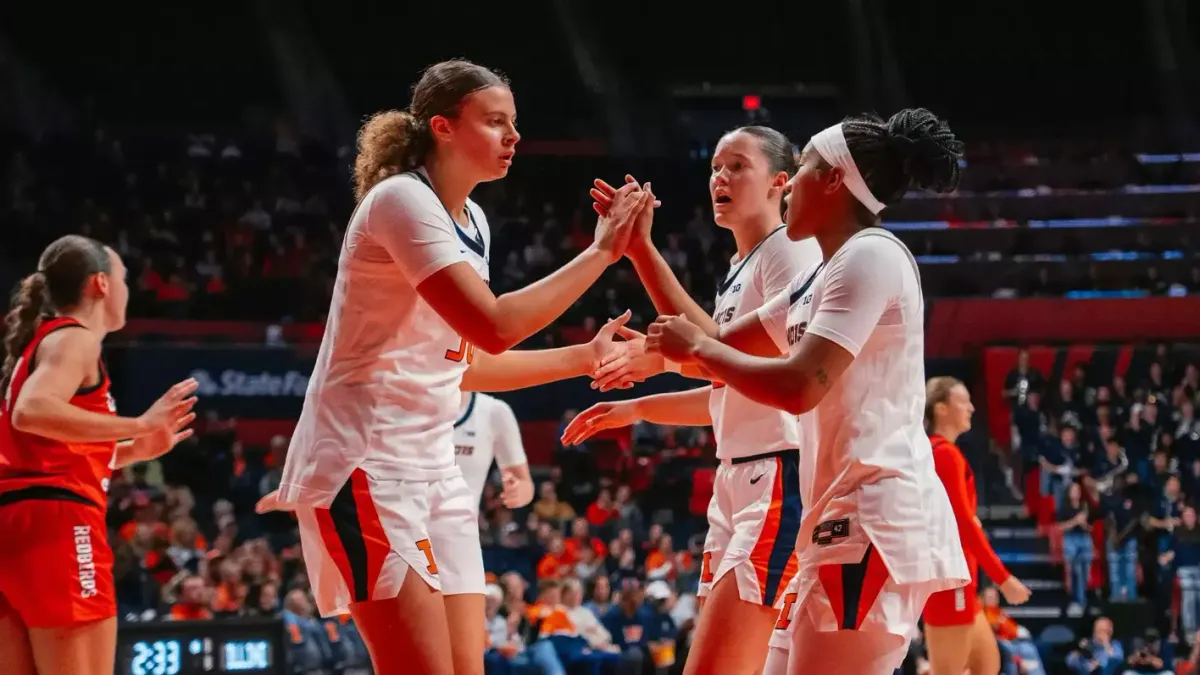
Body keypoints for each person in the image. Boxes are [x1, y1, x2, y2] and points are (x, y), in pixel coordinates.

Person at [254, 59, 649, 675]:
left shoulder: (474, 220)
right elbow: (493, 323)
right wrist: (602, 252)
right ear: (442, 127)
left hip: (435, 469)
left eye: (514, 124)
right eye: (495, 123)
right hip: (367, 463)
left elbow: (463, 366)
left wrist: (583, 357)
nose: (514, 137)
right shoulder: (401, 201)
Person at [640, 109, 971, 674]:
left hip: (871, 515)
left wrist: (694, 349)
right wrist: (637, 253)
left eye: (806, 168)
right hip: (833, 513)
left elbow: (799, 385)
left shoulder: (872, 254)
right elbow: (719, 345)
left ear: (836, 179)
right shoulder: (818, 276)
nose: (789, 183)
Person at [562, 125, 822, 674]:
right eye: (714, 168)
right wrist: (639, 407)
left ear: (780, 182)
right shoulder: (738, 270)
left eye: (736, 166)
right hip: (738, 478)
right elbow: (727, 383)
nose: (719, 178)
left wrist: (642, 254)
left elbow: (717, 353)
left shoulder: (791, 254)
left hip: (777, 474)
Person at [0, 235, 198, 675]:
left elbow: (43, 453)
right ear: (102, 285)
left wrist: (132, 450)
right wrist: (141, 424)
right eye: (125, 278)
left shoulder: (39, 346)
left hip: (15, 527)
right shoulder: (76, 339)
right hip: (56, 528)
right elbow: (31, 413)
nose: (129, 288)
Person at [922, 376, 1031, 675]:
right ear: (941, 409)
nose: (971, 408)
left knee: (988, 665)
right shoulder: (943, 453)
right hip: (949, 582)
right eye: (963, 401)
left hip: (963, 583)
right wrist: (1003, 578)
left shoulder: (942, 452)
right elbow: (963, 526)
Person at [452, 391, 532, 511]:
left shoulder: (494, 411)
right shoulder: (414, 410)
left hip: (461, 526)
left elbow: (525, 485)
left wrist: (517, 491)